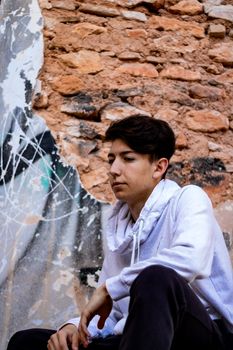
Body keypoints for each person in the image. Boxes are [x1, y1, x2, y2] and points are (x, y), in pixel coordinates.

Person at [7, 115, 233, 350]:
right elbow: (111, 314)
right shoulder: (121, 227)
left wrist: (110, 287)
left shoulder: (188, 199)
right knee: (29, 342)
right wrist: (73, 327)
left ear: (159, 167)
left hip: (204, 336)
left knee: (156, 278)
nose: (114, 170)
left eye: (128, 159)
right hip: (138, 338)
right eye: (111, 159)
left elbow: (192, 260)